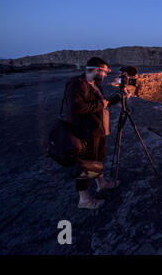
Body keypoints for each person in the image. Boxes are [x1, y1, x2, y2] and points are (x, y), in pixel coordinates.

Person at [65, 57, 121, 209]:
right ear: (97, 70)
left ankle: (101, 183)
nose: (105, 75)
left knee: (98, 159)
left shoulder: (95, 84)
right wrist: (100, 104)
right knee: (87, 165)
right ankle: (84, 200)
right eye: (104, 72)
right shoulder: (77, 84)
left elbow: (102, 104)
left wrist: (117, 99)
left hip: (99, 130)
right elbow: (76, 107)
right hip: (86, 132)